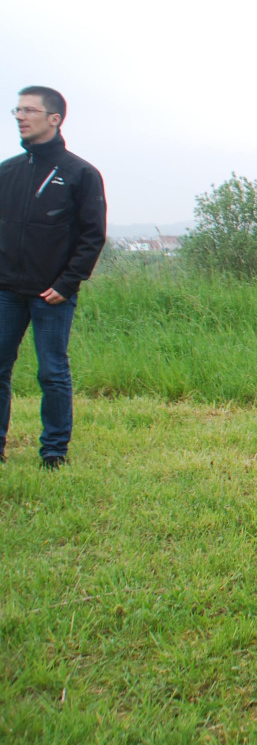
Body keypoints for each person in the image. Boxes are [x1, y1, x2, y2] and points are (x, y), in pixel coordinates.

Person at [1, 86, 107, 469]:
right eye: (17, 109)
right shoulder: (7, 171)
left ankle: (53, 452)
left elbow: (92, 235)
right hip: (6, 291)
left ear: (54, 118)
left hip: (52, 294)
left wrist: (67, 284)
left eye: (29, 110)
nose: (19, 116)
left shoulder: (80, 173)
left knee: (52, 372)